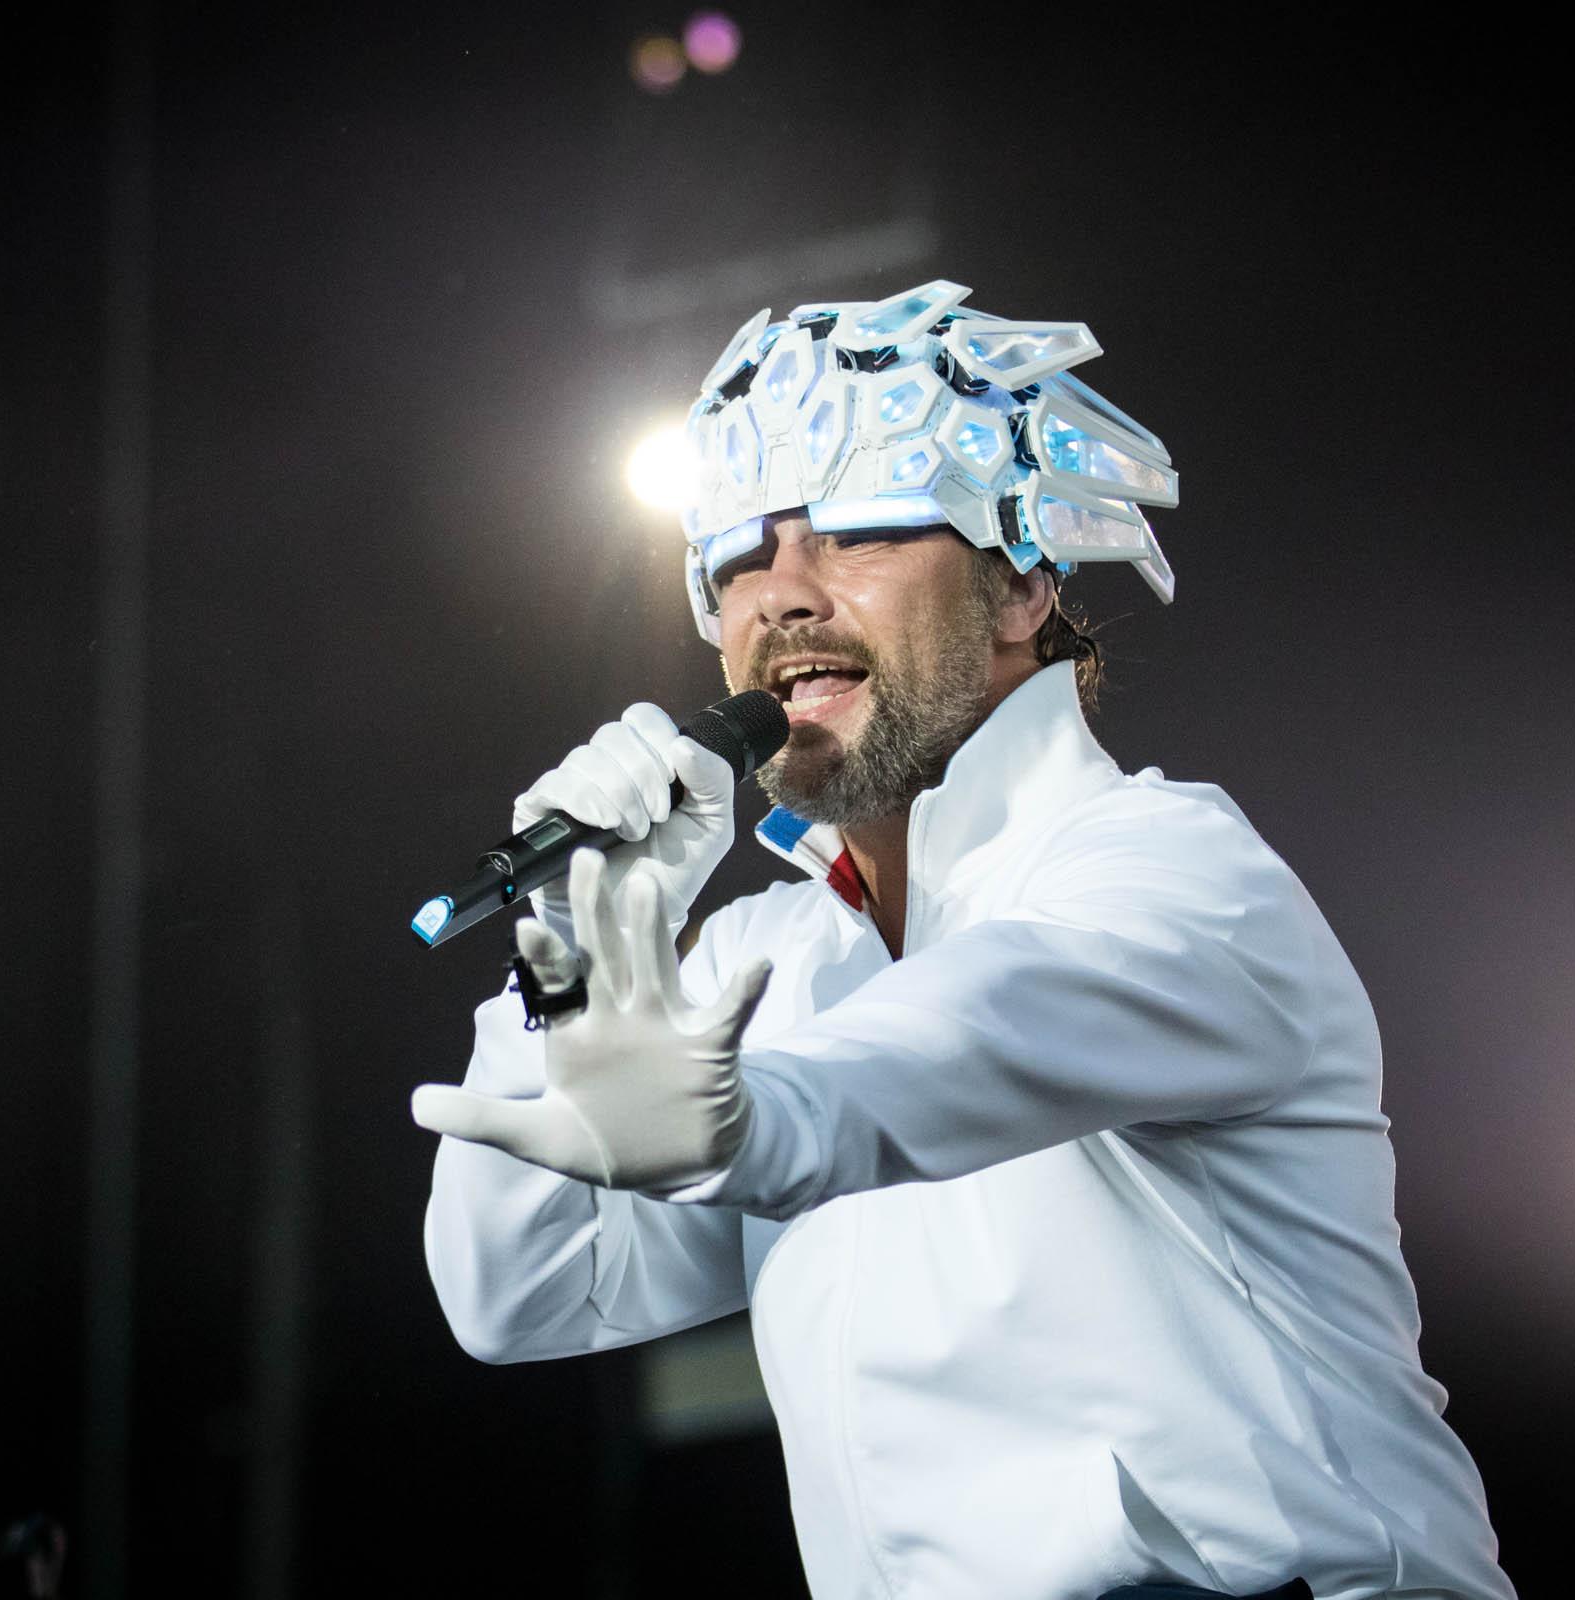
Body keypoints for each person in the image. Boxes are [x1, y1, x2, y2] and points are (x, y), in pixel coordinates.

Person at [411, 280, 1518, 1600]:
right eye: (740, 558)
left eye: (858, 530)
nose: (785, 596)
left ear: (1024, 580)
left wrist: (741, 1120)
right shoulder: (768, 958)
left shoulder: (1168, 871)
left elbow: (956, 1039)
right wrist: (587, 937)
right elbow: (524, 1290)